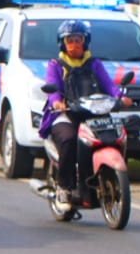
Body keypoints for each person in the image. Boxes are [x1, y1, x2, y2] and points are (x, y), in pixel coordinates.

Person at [41, 19, 132, 213]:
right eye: (69, 40)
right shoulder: (56, 64)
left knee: (114, 134)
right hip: (65, 114)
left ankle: (102, 178)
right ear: (62, 43)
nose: (74, 44)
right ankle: (64, 188)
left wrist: (121, 97)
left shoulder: (94, 64)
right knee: (68, 139)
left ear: (85, 42)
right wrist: (57, 101)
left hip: (92, 113)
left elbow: (110, 86)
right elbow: (52, 87)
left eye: (78, 39)